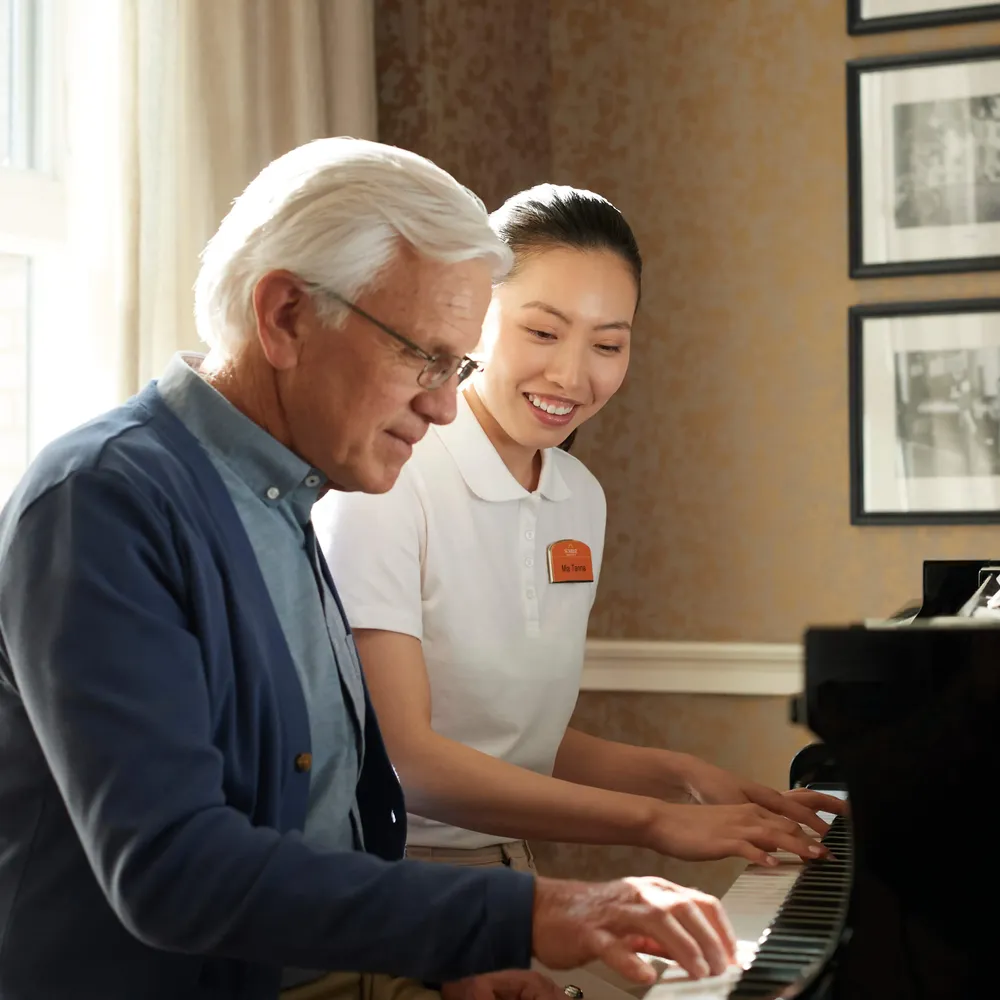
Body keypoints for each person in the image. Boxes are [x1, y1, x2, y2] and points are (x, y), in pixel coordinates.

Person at [0, 140, 738, 1000]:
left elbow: (327, 811)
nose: (440, 403)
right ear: (284, 317)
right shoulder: (102, 499)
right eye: (422, 357)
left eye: (455, 367)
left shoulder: (282, 486)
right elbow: (174, 870)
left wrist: (443, 960)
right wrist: (522, 912)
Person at [314, 184, 845, 878]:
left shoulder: (577, 497)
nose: (572, 374)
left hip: (507, 871)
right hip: (385, 882)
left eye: (608, 344)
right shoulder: (392, 476)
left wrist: (683, 776)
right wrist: (660, 821)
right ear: (477, 319)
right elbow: (404, 761)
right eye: (542, 331)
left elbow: (513, 741)